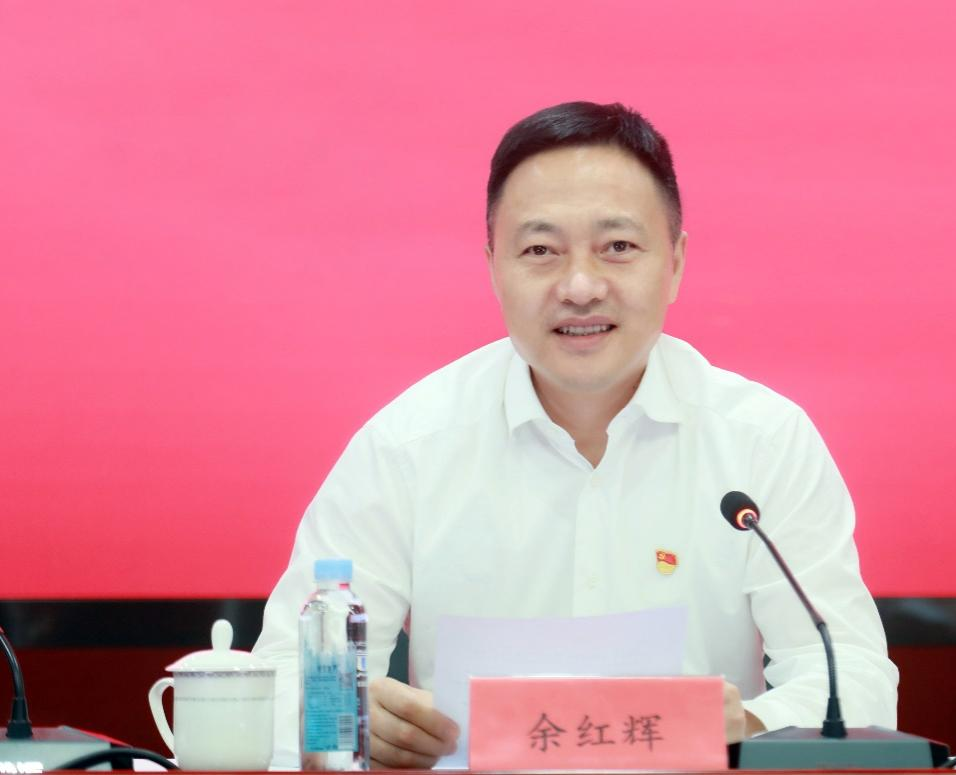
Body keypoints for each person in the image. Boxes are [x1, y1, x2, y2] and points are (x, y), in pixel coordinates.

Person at [252, 101, 898, 769]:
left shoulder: (763, 441)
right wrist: (349, 718)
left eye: (618, 247)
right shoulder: (408, 446)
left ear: (675, 262)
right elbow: (278, 680)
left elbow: (854, 674)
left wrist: (749, 724)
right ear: (493, 266)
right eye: (540, 251)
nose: (581, 286)